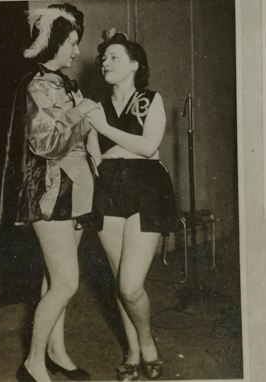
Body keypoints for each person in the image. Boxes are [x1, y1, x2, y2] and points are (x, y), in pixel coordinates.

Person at [0, 3, 100, 382]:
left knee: (55, 278)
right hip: (52, 192)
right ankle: (33, 364)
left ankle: (56, 351)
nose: (76, 51)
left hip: (76, 192)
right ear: (52, 44)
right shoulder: (38, 85)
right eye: (71, 43)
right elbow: (46, 144)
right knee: (67, 282)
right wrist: (82, 115)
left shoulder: (61, 83)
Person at [85, 32, 177, 381]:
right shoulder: (95, 105)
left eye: (114, 57)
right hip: (108, 189)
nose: (106, 63)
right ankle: (134, 352)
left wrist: (106, 130)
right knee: (118, 277)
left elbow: (149, 145)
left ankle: (148, 344)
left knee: (130, 285)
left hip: (146, 188)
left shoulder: (149, 100)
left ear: (135, 64)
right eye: (104, 58)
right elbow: (95, 156)